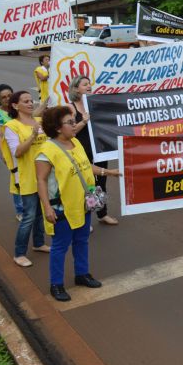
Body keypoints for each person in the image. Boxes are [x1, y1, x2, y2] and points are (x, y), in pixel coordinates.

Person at [36, 106, 121, 302]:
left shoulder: (75, 142)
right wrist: (47, 207)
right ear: (57, 127)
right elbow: (40, 180)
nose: (75, 125)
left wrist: (109, 172)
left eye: (74, 121)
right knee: (60, 246)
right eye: (70, 122)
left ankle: (82, 274)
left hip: (83, 204)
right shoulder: (46, 151)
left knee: (82, 240)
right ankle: (56, 284)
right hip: (62, 208)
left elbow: (86, 166)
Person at [5, 91, 49, 267]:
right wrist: (32, 136)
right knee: (29, 216)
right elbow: (17, 152)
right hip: (27, 176)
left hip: (44, 175)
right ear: (15, 106)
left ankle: (38, 243)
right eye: (26, 101)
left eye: (31, 100)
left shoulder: (39, 121)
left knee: (40, 213)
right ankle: (19, 253)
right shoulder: (11, 126)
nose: (31, 103)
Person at [67, 75, 120, 225]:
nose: (89, 86)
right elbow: (71, 131)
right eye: (85, 84)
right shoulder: (71, 108)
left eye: (89, 84)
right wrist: (84, 121)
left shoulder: (95, 104)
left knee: (101, 183)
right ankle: (85, 220)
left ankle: (102, 214)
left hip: (99, 149)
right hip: (81, 151)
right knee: (84, 184)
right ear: (76, 88)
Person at [0, 84, 24, 221]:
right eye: (3, 97)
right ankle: (20, 210)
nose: (7, 99)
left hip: (27, 148)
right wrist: (3, 154)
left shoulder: (18, 108)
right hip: (12, 153)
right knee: (17, 181)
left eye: (9, 95)